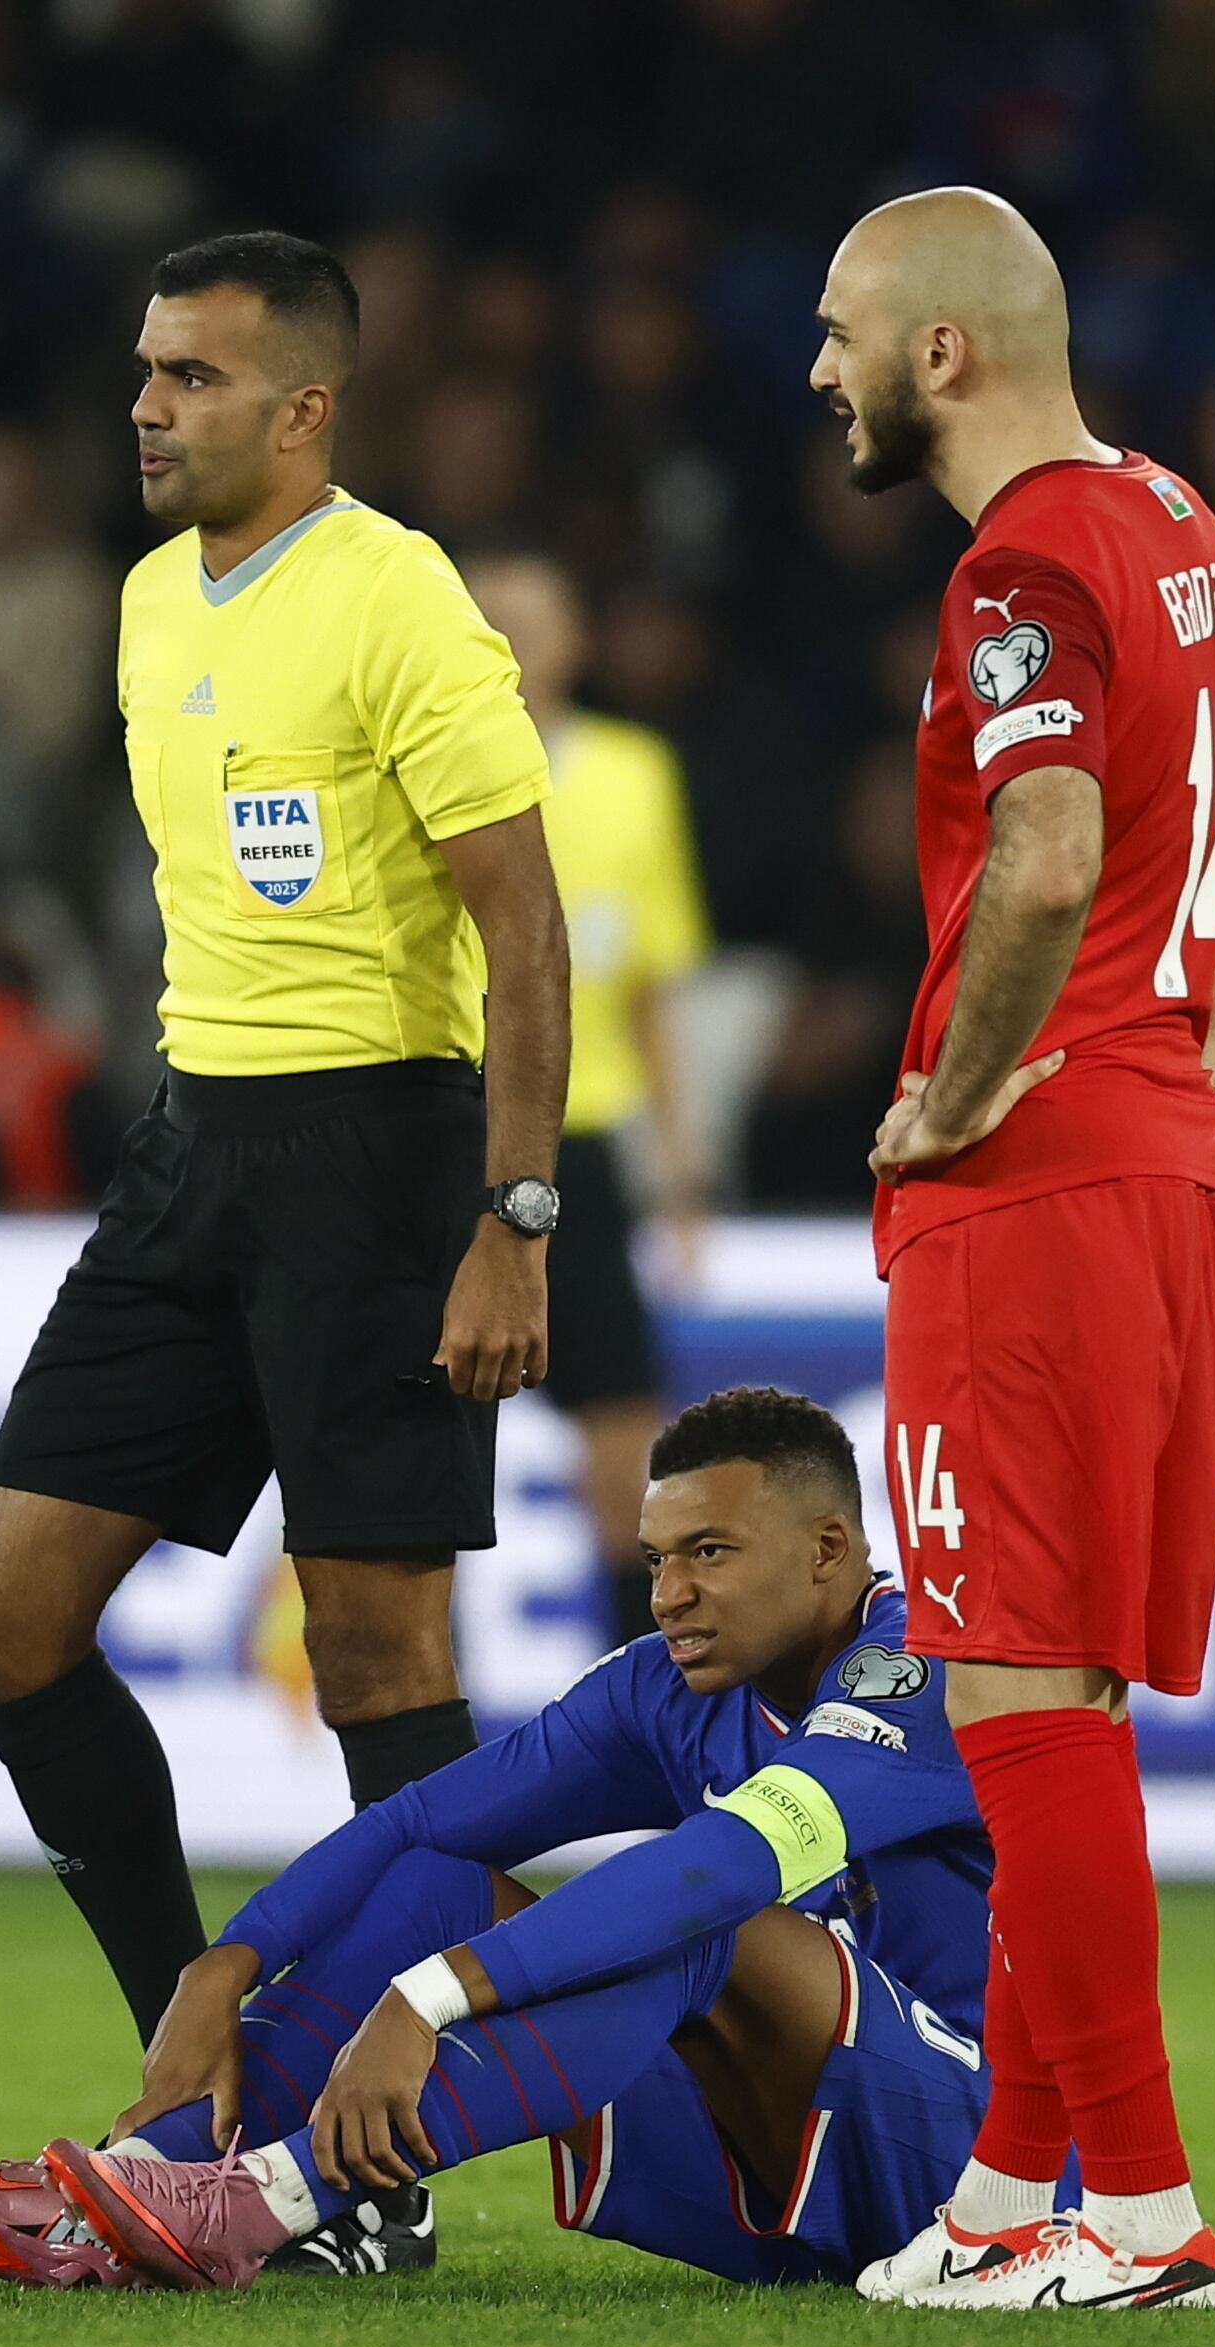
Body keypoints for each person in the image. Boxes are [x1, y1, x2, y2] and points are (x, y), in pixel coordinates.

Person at [0, 233, 572, 2271]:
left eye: (191, 376)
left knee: (383, 1666)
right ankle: (191, 2085)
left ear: (301, 406)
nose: (144, 405)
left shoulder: (397, 599)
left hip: (381, 1155)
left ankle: (363, 2169)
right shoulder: (140, 604)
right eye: (140, 369)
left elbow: (523, 923)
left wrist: (511, 1213)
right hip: (194, 1136)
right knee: (3, 1621)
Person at [808, 187, 1215, 2311]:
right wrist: (1177, 1044)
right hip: (1162, 1156)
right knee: (1058, 1705)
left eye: (842, 328)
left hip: (1033, 1186)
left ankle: (1137, 2208)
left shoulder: (1016, 564)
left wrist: (960, 1091)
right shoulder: (1173, 519)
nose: (819, 366)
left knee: (1014, 1695)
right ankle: (1004, 2184)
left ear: (941, 351)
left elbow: (1040, 855)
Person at [0, 1388, 1019, 2295]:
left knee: (693, 1917)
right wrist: (227, 1960)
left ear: (826, 1550)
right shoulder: (669, 1684)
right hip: (787, 2146)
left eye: (710, 1552)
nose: (667, 1592)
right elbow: (419, 1817)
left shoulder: (920, 1674)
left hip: (976, 2167)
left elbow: (715, 1871)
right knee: (435, 1878)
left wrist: (431, 1997)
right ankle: (112, 2197)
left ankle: (259, 2205)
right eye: (657, 1556)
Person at [469, 552, 713, 1649]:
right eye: (490, 622)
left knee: (622, 1440)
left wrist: (683, 1175)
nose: (513, 645)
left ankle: (637, 1678)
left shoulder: (634, 772)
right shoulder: (422, 765)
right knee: (422, 1426)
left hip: (586, 1142)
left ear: (575, 641)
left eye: (532, 620)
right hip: (456, 1135)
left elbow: (655, 990)